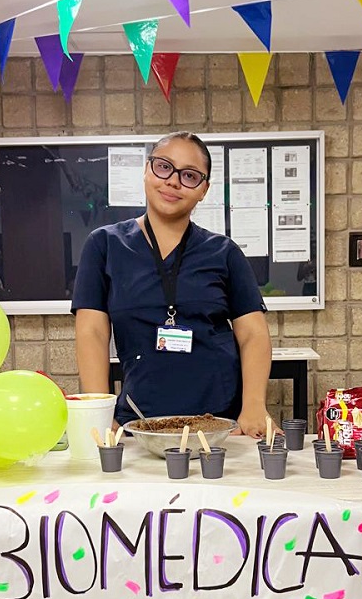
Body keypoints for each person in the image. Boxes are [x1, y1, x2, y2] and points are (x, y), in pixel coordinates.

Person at [72, 131, 275, 437]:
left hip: (221, 421)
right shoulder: (104, 245)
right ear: (146, 170)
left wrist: (254, 406)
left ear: (203, 190)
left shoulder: (224, 252)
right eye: (164, 167)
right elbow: (92, 332)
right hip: (139, 419)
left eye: (190, 175)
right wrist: (100, 413)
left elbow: (253, 334)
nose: (173, 181)